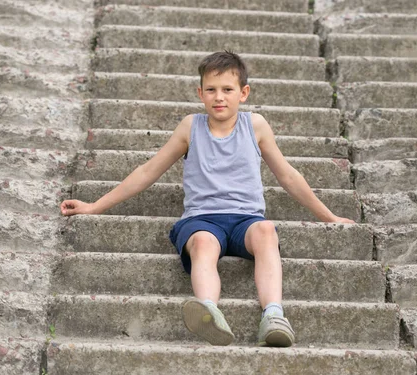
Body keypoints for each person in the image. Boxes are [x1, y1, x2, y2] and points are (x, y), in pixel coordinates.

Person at [60, 51, 355, 347]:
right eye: (211, 90)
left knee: (266, 230)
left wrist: (328, 216)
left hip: (246, 220)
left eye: (227, 90)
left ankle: (274, 315)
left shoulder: (256, 126)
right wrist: (94, 206)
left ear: (244, 93)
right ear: (200, 93)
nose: (219, 97)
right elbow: (148, 171)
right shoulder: (191, 126)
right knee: (203, 243)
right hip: (202, 220)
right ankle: (209, 312)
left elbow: (288, 176)